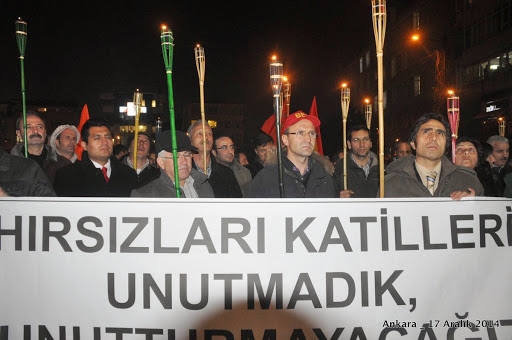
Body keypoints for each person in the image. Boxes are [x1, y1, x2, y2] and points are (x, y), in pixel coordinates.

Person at [383, 113, 483, 199]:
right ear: (413, 143)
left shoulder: (468, 181)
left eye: (440, 133)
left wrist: (474, 205)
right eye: (426, 132)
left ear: (446, 144)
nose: (434, 137)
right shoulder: (390, 184)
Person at [248, 110, 336, 198]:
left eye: (312, 133)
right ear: (285, 139)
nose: (308, 139)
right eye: (300, 133)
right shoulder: (267, 178)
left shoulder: (324, 177)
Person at [53, 118, 137, 197]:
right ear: (84, 145)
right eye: (97, 138)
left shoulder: (129, 174)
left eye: (108, 137)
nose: (105, 142)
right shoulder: (67, 176)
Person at [131, 130, 214, 198]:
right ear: (161, 162)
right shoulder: (145, 196)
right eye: (175, 156)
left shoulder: (204, 186)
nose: (184, 161)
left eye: (186, 154)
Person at [11, 111, 71, 184]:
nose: (35, 131)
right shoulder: (7, 165)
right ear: (19, 134)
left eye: (39, 127)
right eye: (28, 127)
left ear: (45, 132)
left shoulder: (64, 165)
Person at [187, 120, 243, 198]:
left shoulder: (227, 174)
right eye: (200, 134)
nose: (205, 137)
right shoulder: (184, 172)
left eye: (209, 134)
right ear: (189, 139)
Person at [333, 125, 379, 198]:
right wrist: (338, 197)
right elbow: (328, 196)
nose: (362, 144)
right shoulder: (339, 169)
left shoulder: (382, 170)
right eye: (356, 140)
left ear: (371, 143)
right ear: (349, 144)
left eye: (365, 139)